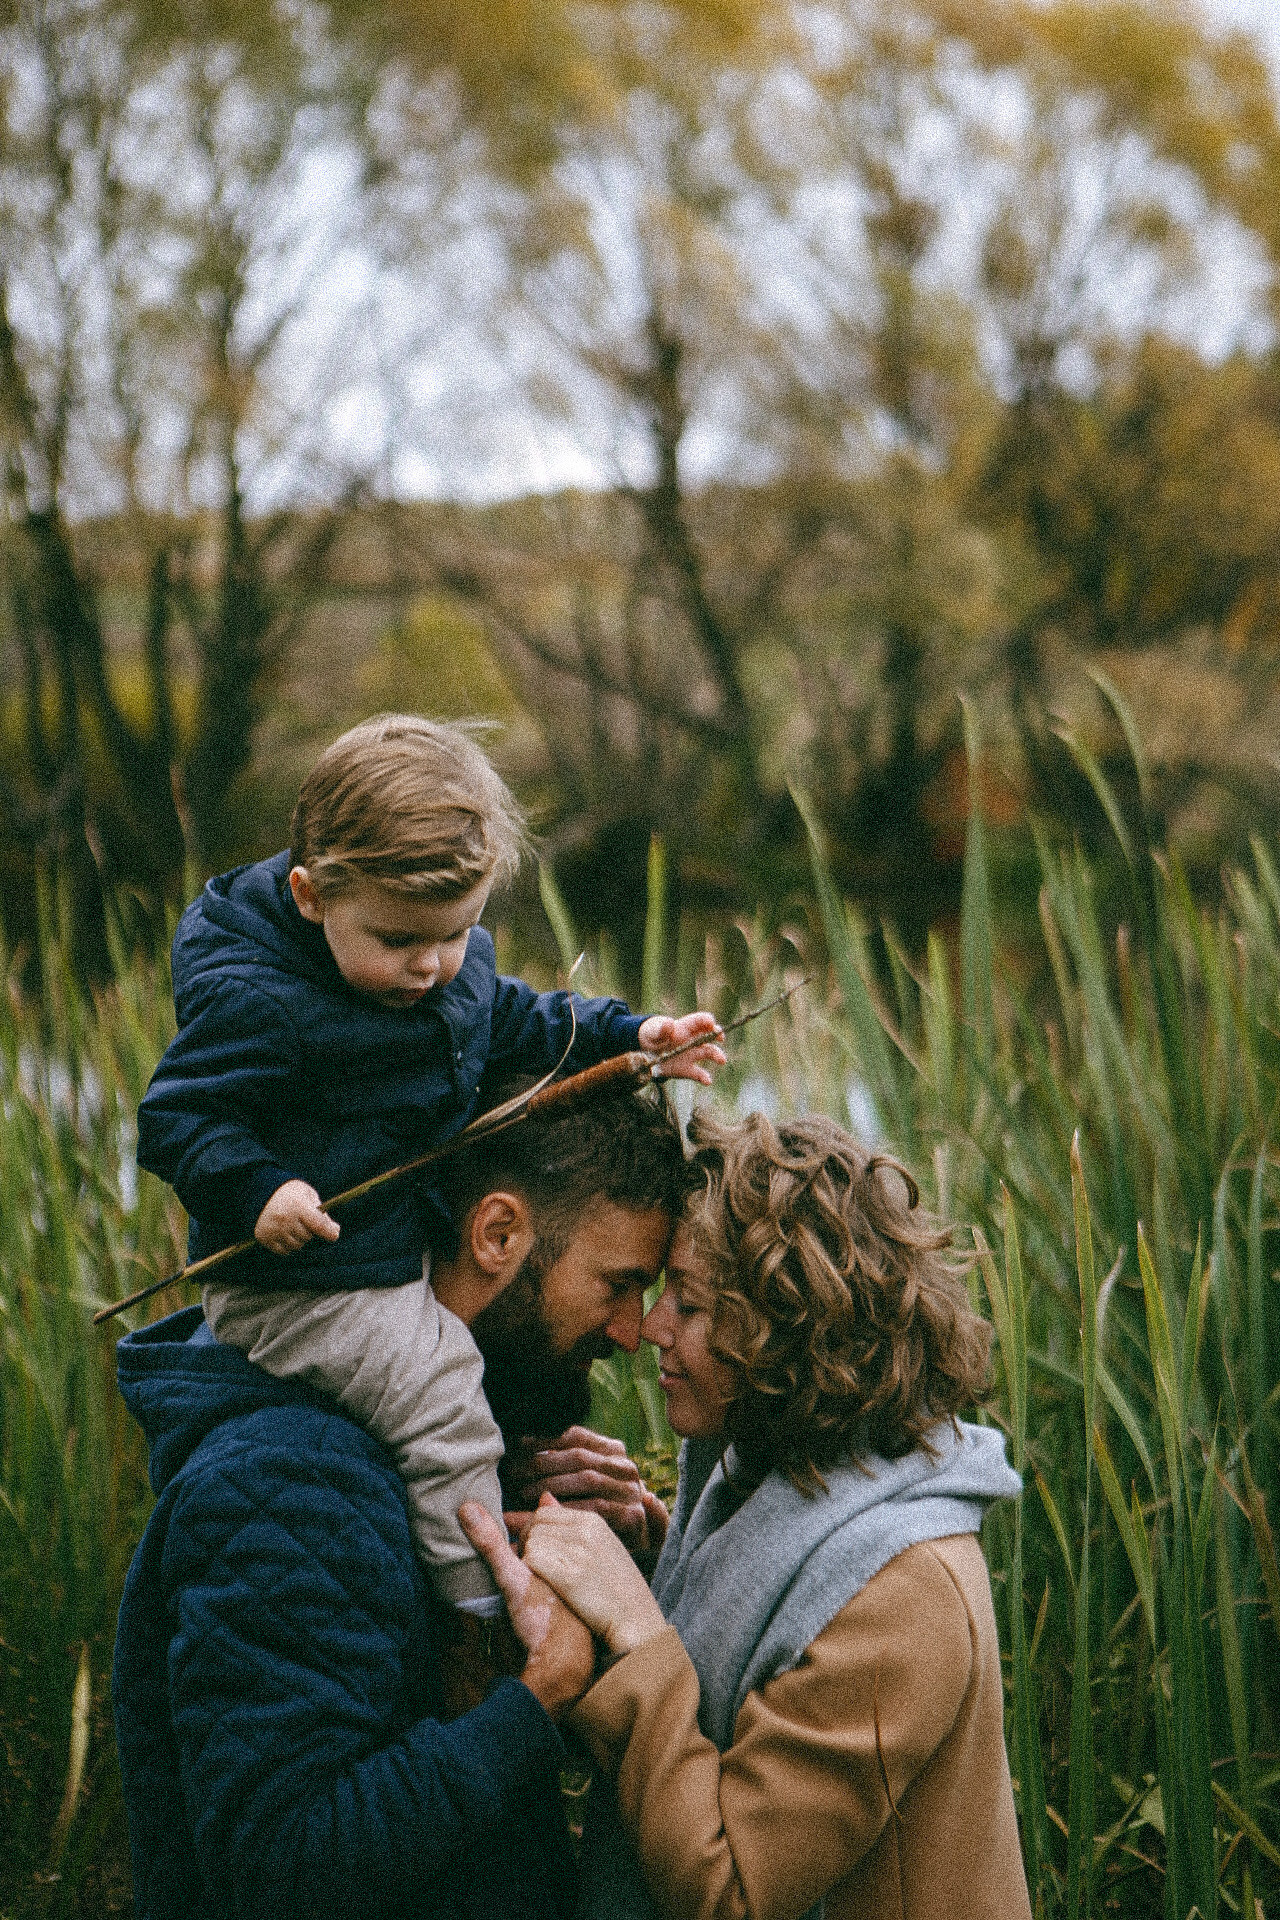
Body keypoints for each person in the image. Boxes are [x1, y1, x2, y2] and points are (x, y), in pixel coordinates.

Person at [136, 713, 722, 1613]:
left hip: (375, 1254)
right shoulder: (261, 1005)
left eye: (456, 936)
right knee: (444, 1396)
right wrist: (260, 1191)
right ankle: (486, 1612)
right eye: (400, 943)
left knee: (457, 1383)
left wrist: (632, 1036)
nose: (431, 969)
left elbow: (524, 1019)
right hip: (302, 1284)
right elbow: (178, 1117)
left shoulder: (442, 964)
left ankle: (496, 1532)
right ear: (309, 896)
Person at [112, 1085, 689, 1920]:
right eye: (618, 1284)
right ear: (498, 1235)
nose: (634, 1331)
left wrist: (587, 1564)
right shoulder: (290, 1482)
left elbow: (405, 1716)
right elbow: (283, 1872)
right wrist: (539, 1697)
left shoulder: (412, 1457)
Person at [477, 1109, 1032, 1920]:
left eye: (692, 1308)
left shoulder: (904, 1590)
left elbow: (734, 1893)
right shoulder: (777, 1466)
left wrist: (636, 1628)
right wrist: (653, 1562)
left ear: (793, 1333)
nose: (651, 1331)